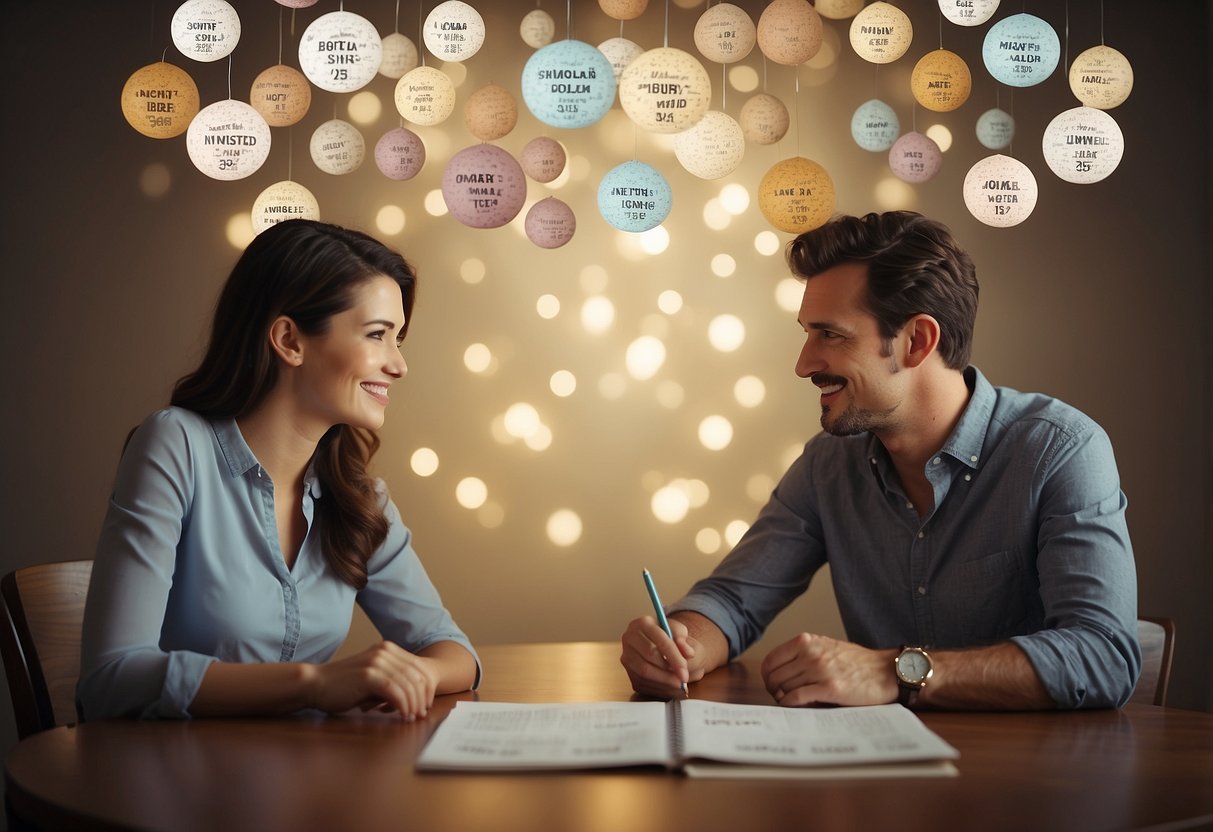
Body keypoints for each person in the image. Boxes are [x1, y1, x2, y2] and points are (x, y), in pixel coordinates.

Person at [620, 211, 1139, 711]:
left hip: (1034, 786)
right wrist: (681, 645)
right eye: (807, 332)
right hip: (877, 780)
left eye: (831, 334)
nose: (803, 364)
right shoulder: (829, 465)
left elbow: (1104, 657)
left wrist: (892, 671)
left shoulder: (1060, 450)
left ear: (917, 341)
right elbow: (733, 600)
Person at [79, 219, 479, 722]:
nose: (398, 365)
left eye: (398, 339)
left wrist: (417, 675)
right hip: (171, 786)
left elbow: (452, 651)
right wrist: (313, 684)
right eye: (378, 335)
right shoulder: (176, 444)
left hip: (304, 786)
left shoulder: (358, 496)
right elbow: (111, 677)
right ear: (290, 340)